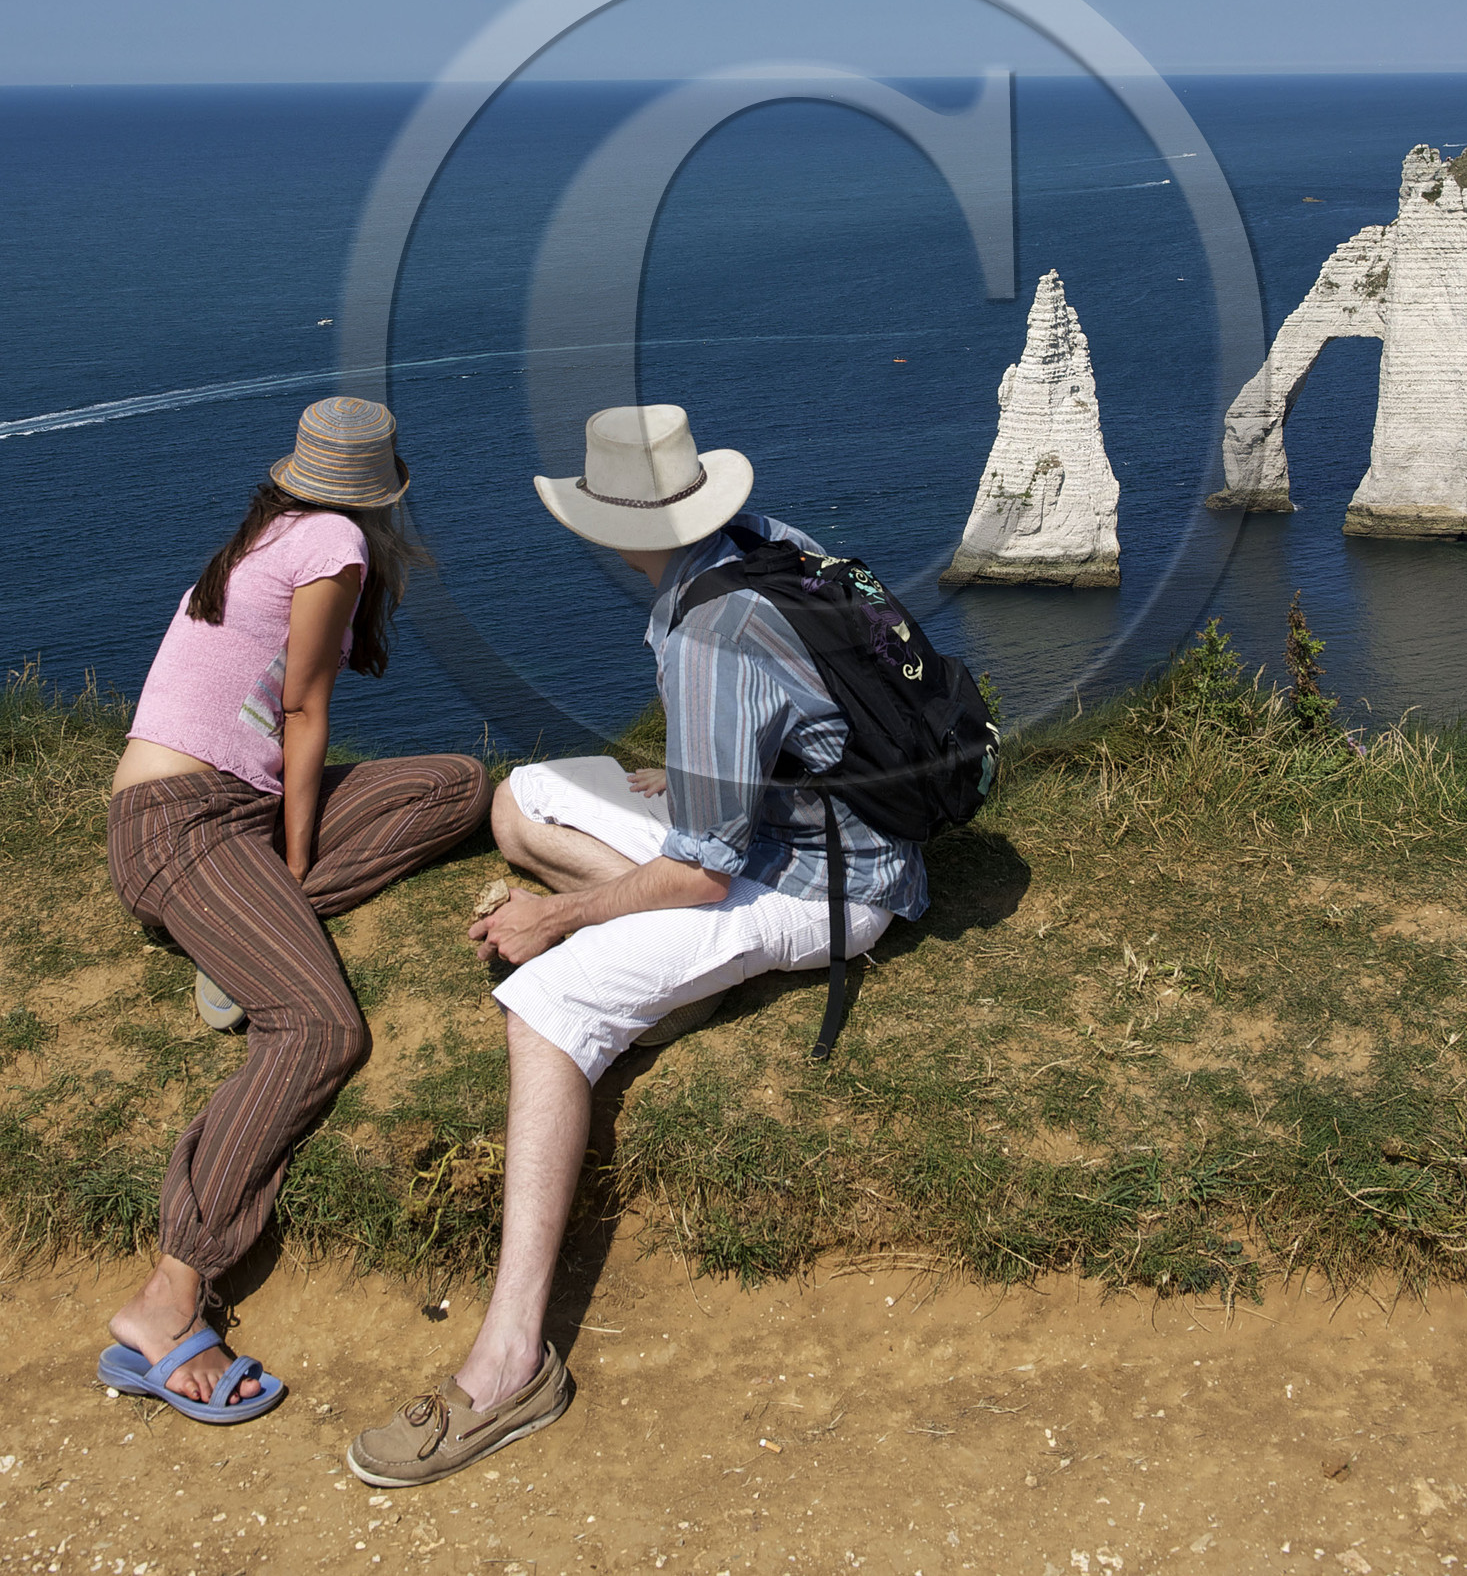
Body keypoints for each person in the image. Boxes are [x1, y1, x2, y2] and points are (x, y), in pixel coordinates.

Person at [346, 402, 928, 1487]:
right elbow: (807, 710)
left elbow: (707, 868)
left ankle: (511, 1362)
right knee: (521, 800)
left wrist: (552, 918)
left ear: (611, 522)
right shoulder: (770, 540)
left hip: (818, 882)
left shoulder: (710, 627)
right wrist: (714, 774)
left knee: (545, 1004)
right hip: (806, 830)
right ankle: (678, 963)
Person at [100, 397, 491, 1423]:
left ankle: (247, 928)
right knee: (318, 1024)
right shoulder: (331, 539)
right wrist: (299, 851)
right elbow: (303, 708)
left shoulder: (267, 533)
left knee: (456, 781)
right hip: (179, 823)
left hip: (222, 804)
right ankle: (170, 1289)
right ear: (377, 490)